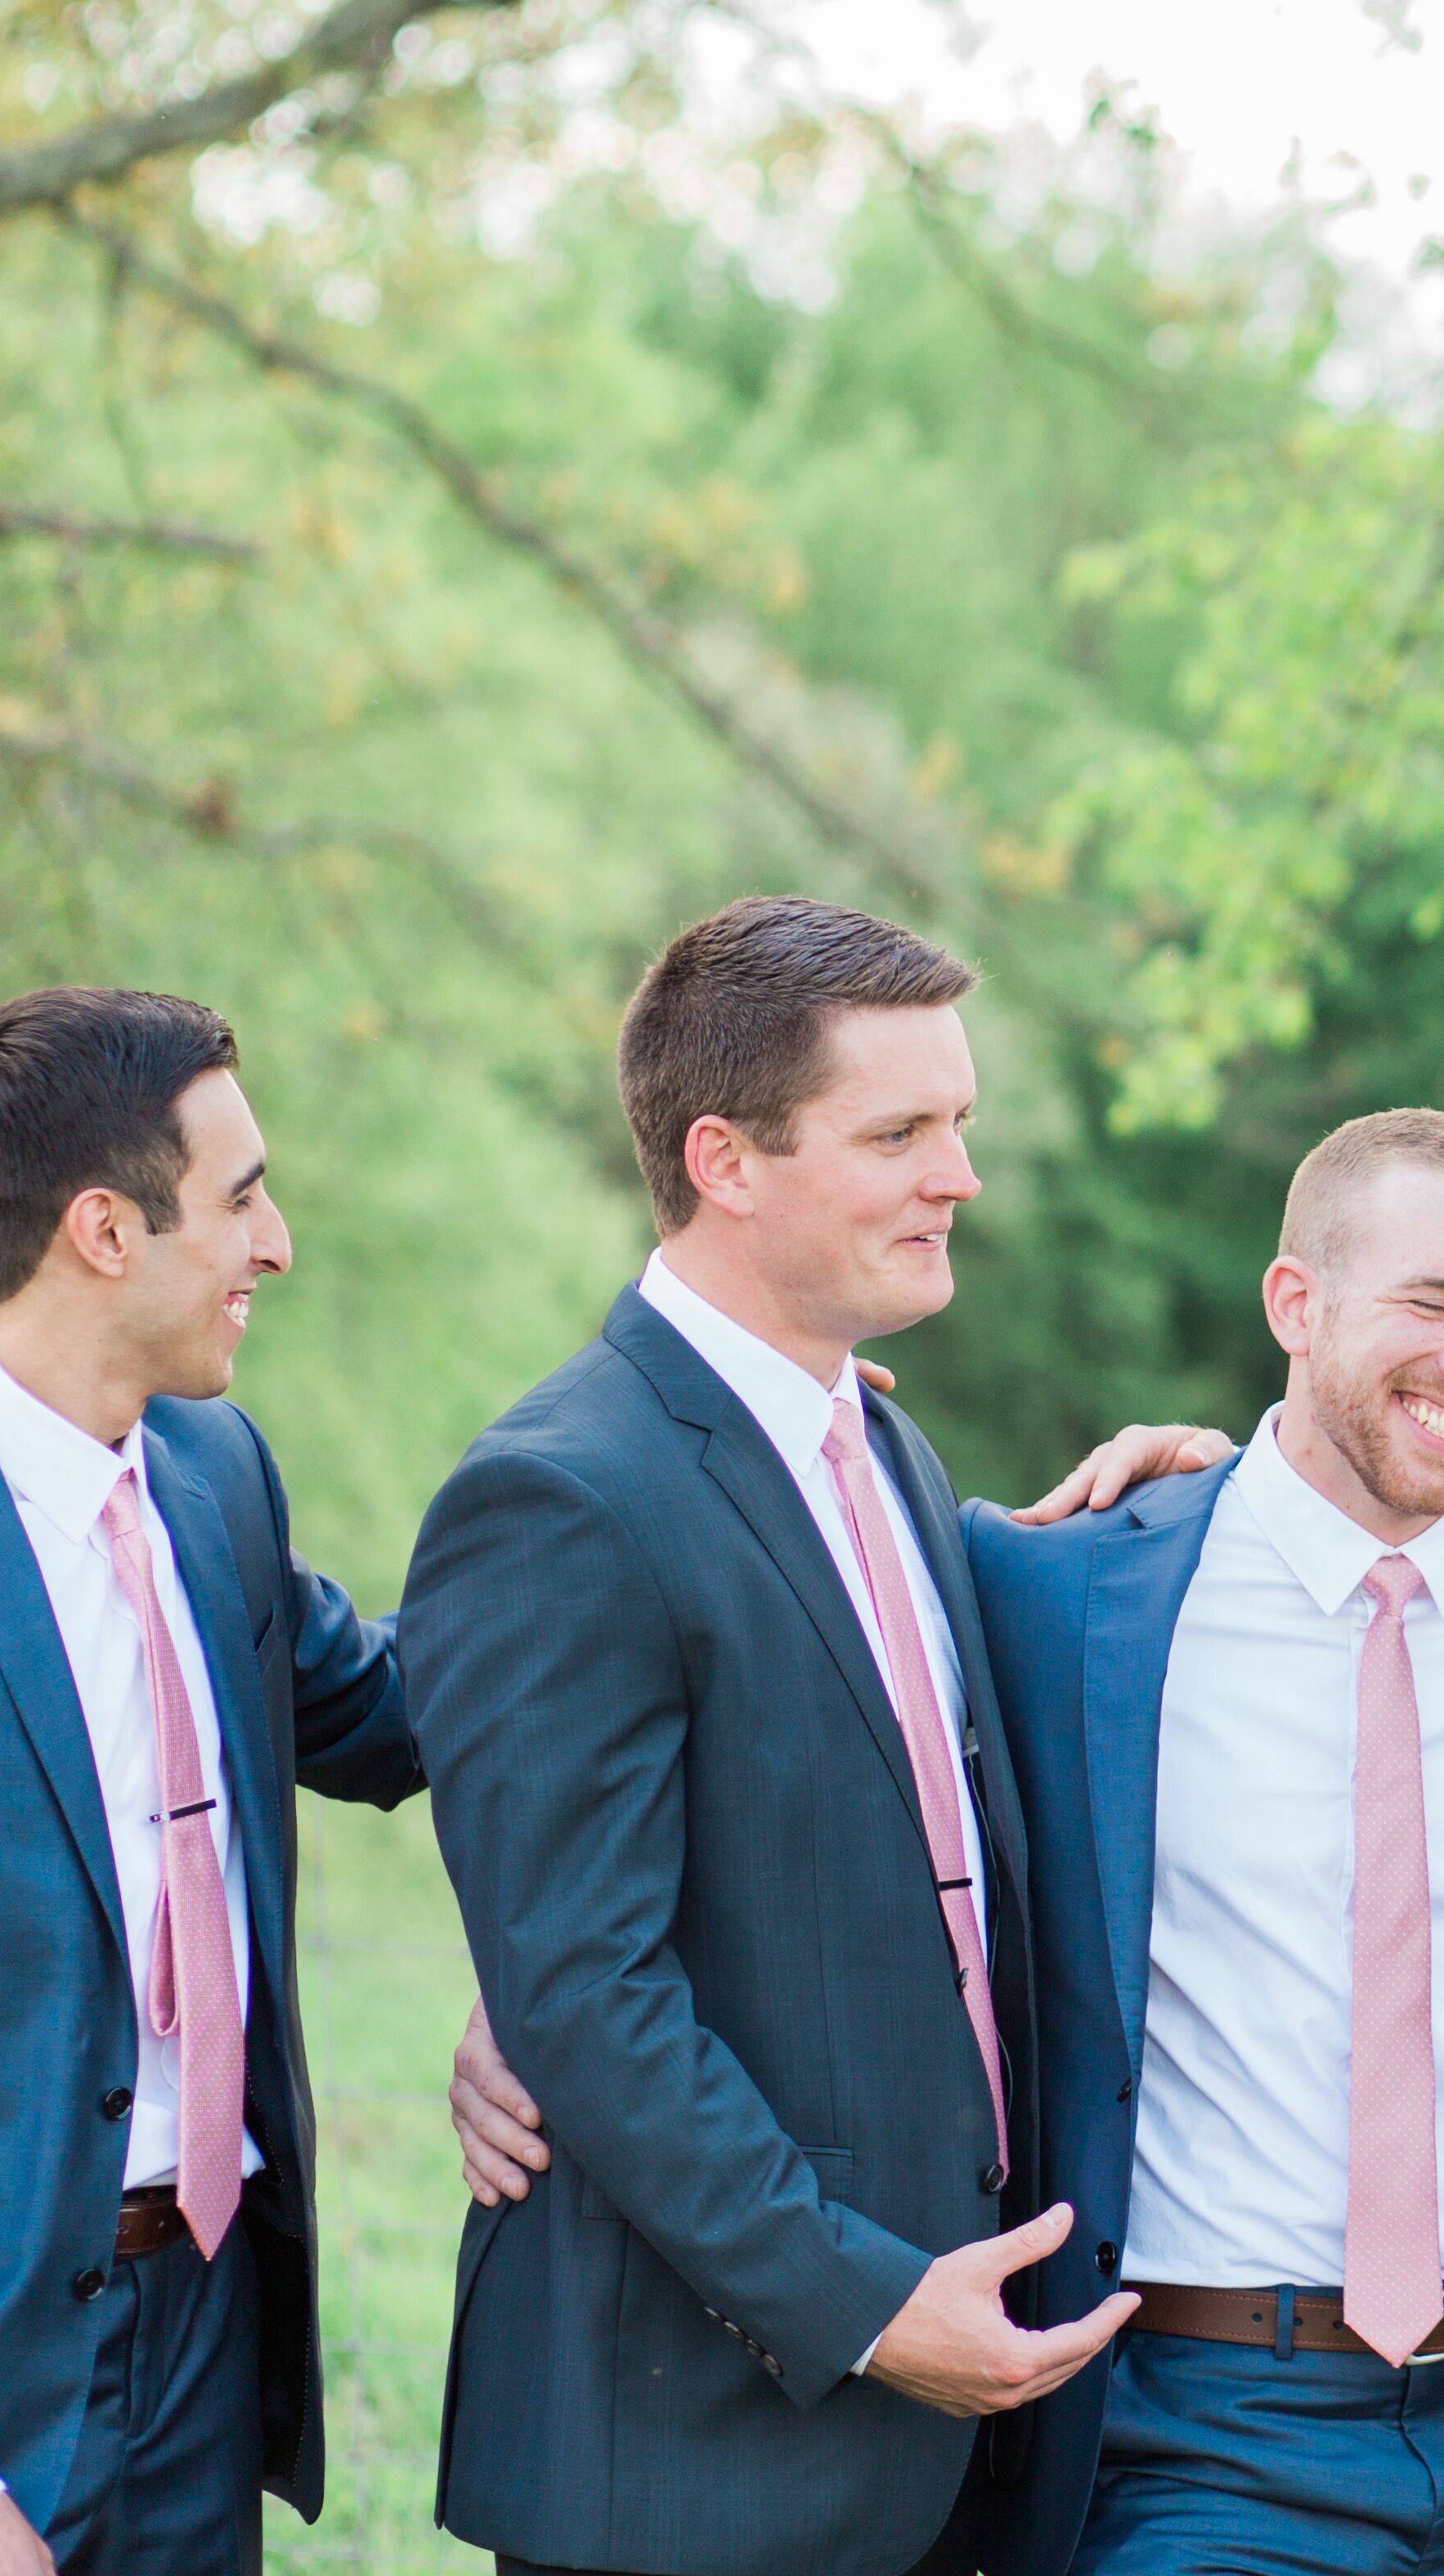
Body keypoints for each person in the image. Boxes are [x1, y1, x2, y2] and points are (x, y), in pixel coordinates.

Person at [399, 898, 1125, 2576]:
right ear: (727, 1160)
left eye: (960, 1124)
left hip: (946, 2443)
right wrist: (873, 2310)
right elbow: (587, 1994)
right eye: (901, 1134)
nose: (961, 1177)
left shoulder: (882, 1449)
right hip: (698, 2460)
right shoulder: (561, 1494)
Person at [969, 1109, 1444, 2574]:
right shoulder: (1053, 1599)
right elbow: (798, 1795)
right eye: (1428, 1302)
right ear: (1294, 1306)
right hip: (1200, 2422)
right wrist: (531, 2009)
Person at [0, 989, 419, 2576]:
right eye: (242, 1198)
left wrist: (712, 1493)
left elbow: (405, 1711)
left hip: (210, 2338)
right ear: (102, 1231)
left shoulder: (216, 1481)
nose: (273, 1245)